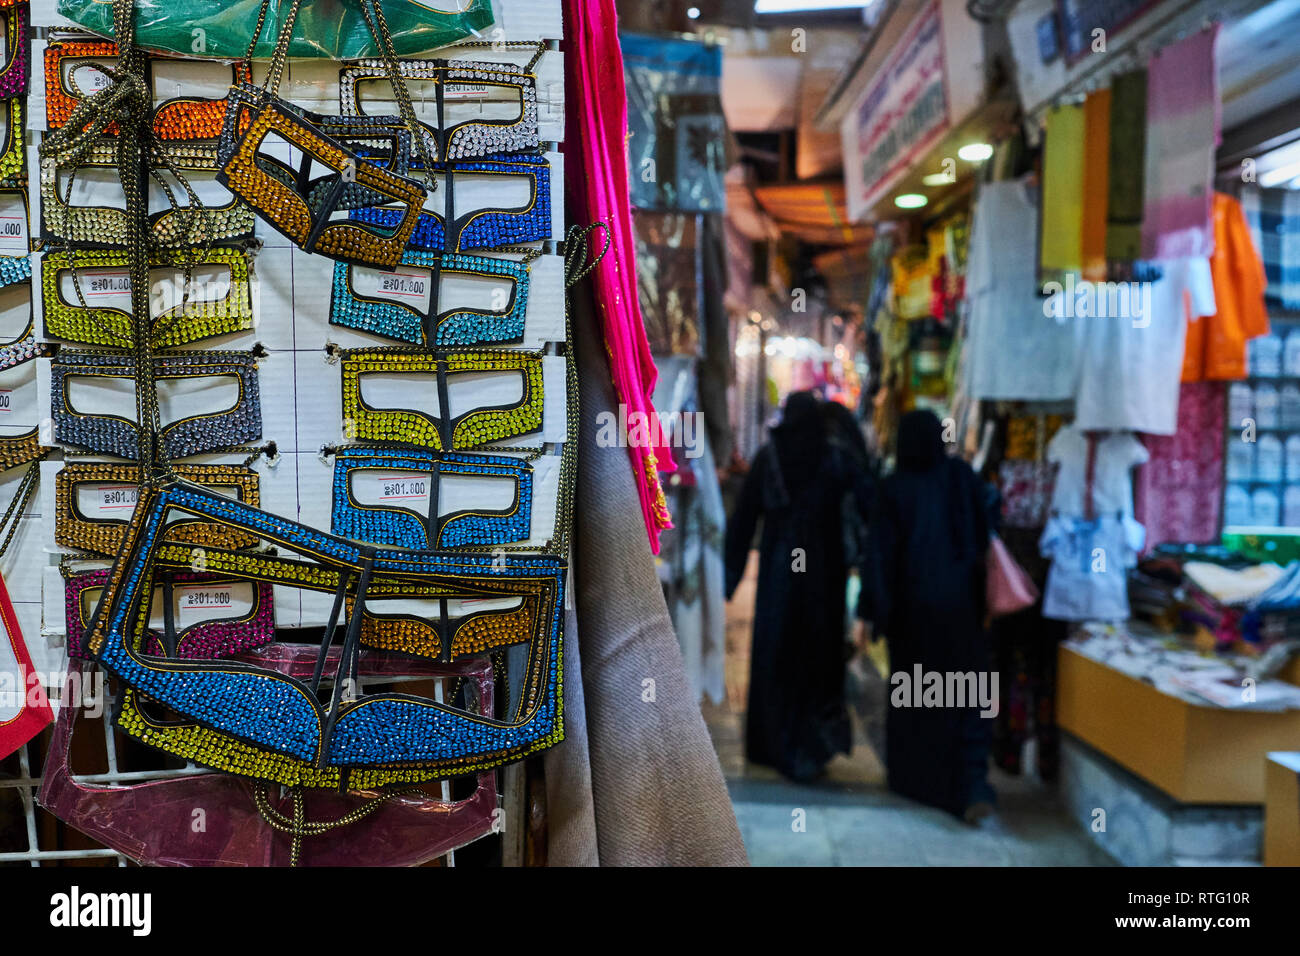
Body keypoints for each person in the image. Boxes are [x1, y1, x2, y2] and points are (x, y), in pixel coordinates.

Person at [858, 409, 996, 822]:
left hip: (914, 616)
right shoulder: (962, 478)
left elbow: (879, 559)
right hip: (964, 612)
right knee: (964, 696)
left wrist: (874, 614)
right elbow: (989, 525)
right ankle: (970, 785)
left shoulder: (895, 488)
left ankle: (921, 782)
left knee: (919, 699)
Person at [724, 391, 869, 782]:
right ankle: (811, 747)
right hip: (823, 571)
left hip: (780, 571)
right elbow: (866, 502)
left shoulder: (770, 457)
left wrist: (730, 576)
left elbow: (744, 520)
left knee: (777, 654)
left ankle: (771, 744)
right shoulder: (833, 455)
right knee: (816, 655)